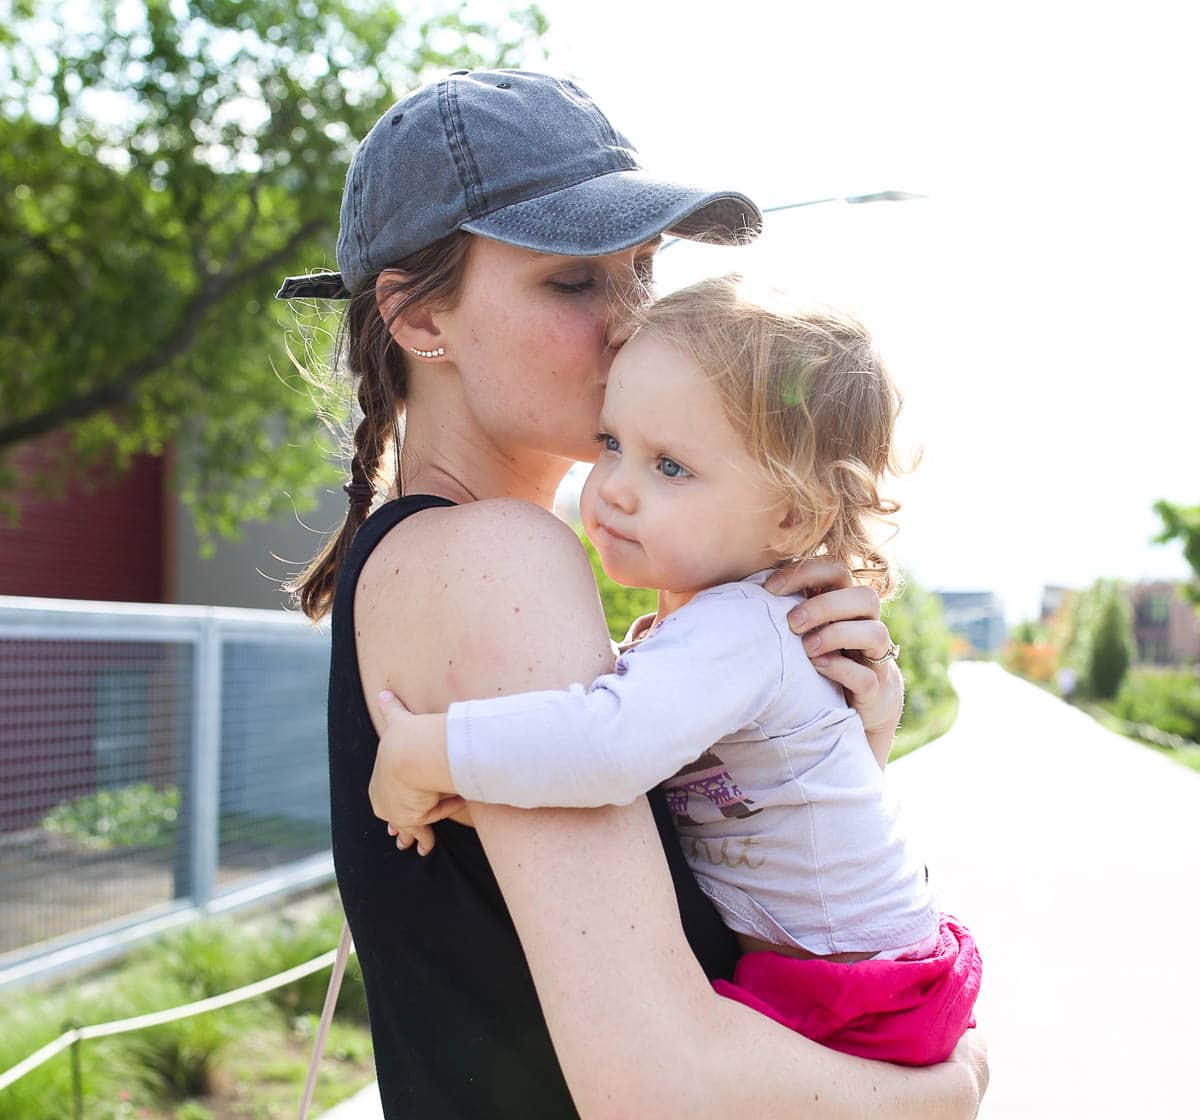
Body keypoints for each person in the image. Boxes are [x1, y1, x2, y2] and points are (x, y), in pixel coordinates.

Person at [277, 69, 987, 1117]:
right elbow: (659, 1081)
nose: (631, 323)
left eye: (642, 269)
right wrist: (949, 1089)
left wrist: (817, 739)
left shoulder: (460, 555)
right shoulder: (499, 557)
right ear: (419, 317)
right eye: (573, 283)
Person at [368, 275, 982, 1067]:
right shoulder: (699, 637)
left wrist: (425, 752)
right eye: (612, 443)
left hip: (855, 996)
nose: (614, 489)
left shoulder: (742, 627)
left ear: (792, 515)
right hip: (855, 978)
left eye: (671, 467)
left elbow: (607, 748)